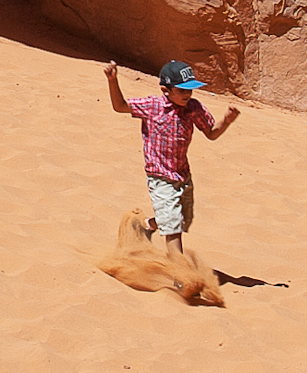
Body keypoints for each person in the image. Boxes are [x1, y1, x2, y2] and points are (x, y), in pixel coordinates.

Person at [101, 59, 239, 257]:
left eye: (190, 90)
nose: (188, 94)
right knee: (173, 227)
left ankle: (145, 226)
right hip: (159, 176)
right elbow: (120, 106)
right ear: (166, 90)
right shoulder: (153, 106)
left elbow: (211, 133)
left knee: (180, 218)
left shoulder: (194, 108)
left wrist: (226, 121)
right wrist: (113, 81)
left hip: (182, 175)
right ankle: (181, 275)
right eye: (182, 90)